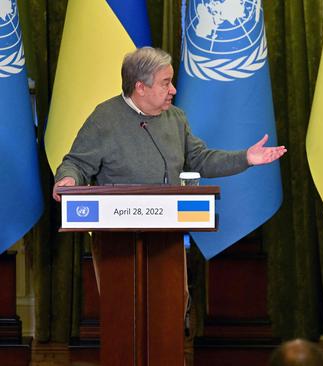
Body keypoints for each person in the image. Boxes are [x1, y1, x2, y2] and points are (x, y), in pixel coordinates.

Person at [50, 47, 286, 332]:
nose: (173, 89)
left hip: (167, 237)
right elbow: (76, 163)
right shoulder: (105, 118)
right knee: (124, 315)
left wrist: (246, 158)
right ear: (140, 87)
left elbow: (200, 159)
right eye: (165, 82)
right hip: (116, 241)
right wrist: (68, 180)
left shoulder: (175, 118)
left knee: (170, 309)